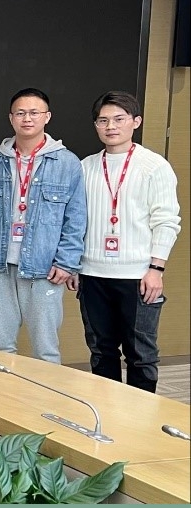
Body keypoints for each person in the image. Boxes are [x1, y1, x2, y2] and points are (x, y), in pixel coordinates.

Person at [0, 88, 85, 364]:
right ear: (11, 118)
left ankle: (44, 393)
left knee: (45, 348)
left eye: (34, 113)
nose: (27, 119)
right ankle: (2, 392)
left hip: (45, 269)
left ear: (47, 117)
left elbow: (76, 219)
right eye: (20, 113)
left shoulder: (67, 163)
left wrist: (67, 262)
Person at [76, 91, 180, 391]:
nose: (111, 126)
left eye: (119, 119)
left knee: (141, 355)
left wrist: (156, 269)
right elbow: (75, 221)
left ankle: (140, 417)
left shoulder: (154, 166)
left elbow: (166, 221)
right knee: (101, 351)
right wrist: (74, 265)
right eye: (103, 120)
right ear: (96, 125)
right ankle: (108, 413)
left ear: (136, 121)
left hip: (138, 276)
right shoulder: (85, 167)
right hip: (92, 274)